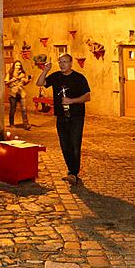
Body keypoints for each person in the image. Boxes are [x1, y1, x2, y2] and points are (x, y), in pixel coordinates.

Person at [36, 53, 91, 185]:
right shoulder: (56, 77)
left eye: (65, 62)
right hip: (61, 116)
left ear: (71, 63)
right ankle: (70, 170)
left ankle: (73, 173)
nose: (62, 64)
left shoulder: (79, 78)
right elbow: (40, 83)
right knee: (65, 145)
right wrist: (45, 70)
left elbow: (87, 97)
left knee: (75, 145)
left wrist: (71, 101)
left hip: (76, 116)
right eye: (60, 62)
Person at [4, 60, 32, 130]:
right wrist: (13, 79)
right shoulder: (10, 73)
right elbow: (6, 83)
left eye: (19, 65)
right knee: (13, 109)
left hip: (21, 93)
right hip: (13, 93)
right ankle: (11, 123)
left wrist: (28, 80)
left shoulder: (23, 74)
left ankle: (26, 124)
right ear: (14, 66)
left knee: (24, 109)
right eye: (17, 65)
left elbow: (24, 83)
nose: (18, 67)